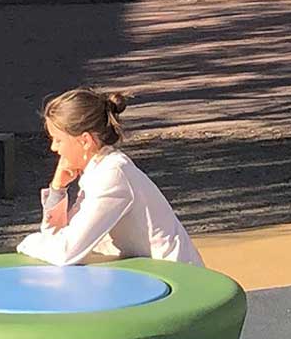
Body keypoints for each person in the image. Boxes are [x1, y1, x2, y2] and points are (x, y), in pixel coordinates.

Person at [17, 88, 201, 267]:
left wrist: (27, 243)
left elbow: (65, 252)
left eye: (58, 140)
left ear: (85, 141)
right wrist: (57, 189)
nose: (54, 148)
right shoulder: (100, 170)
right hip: (150, 273)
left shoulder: (112, 176)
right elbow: (57, 238)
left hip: (177, 278)